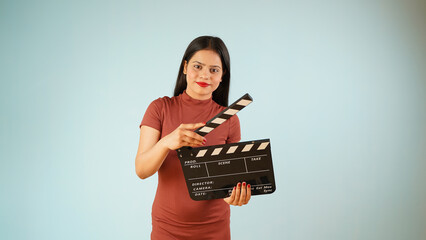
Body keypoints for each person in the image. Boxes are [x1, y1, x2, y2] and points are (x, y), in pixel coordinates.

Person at [135, 36, 251, 240]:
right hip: (167, 228)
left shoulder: (230, 120)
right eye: (198, 66)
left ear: (222, 76)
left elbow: (229, 182)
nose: (205, 75)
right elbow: (142, 170)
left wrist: (234, 196)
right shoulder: (159, 108)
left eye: (214, 70)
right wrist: (166, 142)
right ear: (185, 67)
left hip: (215, 229)